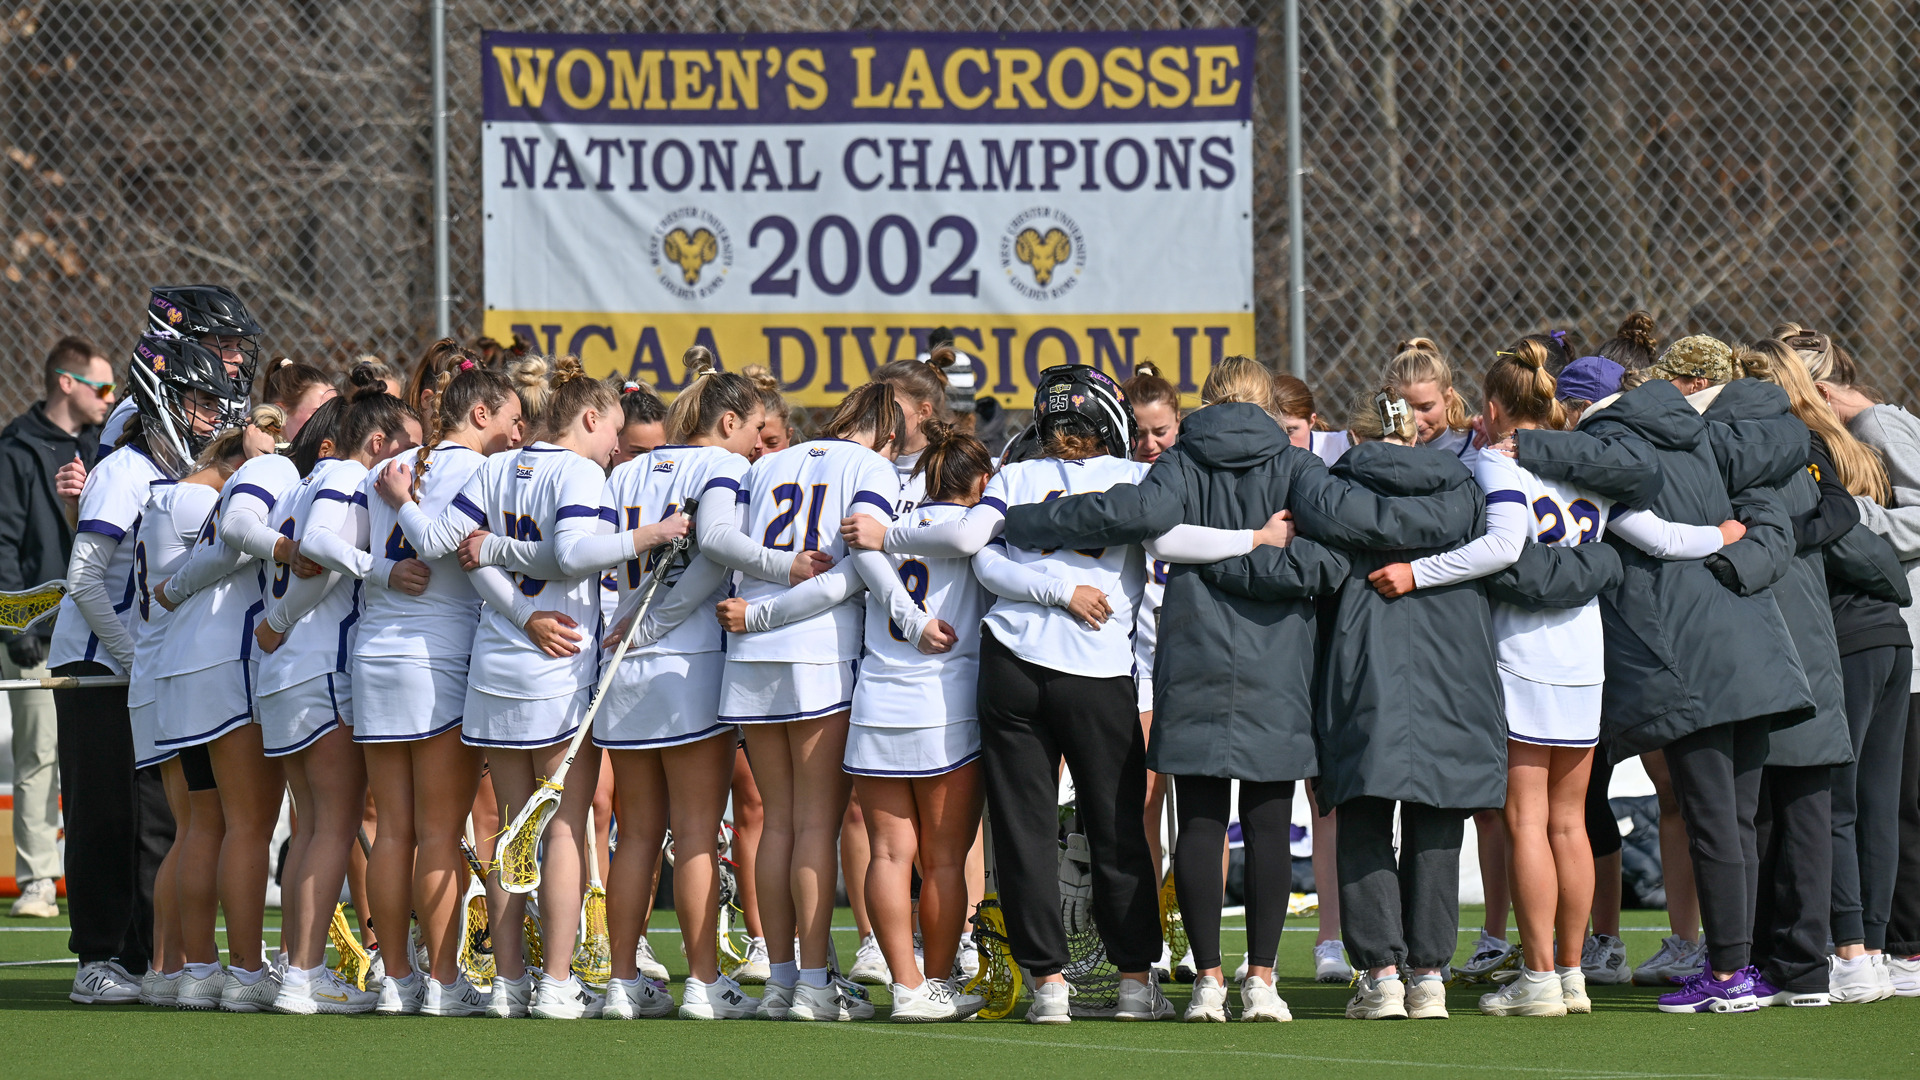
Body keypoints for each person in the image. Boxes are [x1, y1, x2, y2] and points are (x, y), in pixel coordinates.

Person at [1000, 358, 1347, 1023]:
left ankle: (1209, 981)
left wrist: (1029, 521)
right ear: (1268, 401)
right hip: (1280, 658)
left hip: (1194, 656)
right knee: (1272, 818)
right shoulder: (1301, 465)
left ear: (1208, 403)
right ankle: (1264, 980)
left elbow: (1136, 517)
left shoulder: (1181, 461)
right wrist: (1262, 556)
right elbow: (1330, 561)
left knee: (1200, 817)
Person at [1373, 341, 1703, 1017]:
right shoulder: (1583, 464)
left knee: (1526, 821)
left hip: (1523, 654)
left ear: (1490, 409)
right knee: (1569, 825)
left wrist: (1416, 573)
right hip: (1586, 658)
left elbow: (1501, 546)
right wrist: (1727, 537)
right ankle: (1576, 975)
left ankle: (1541, 978)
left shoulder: (1497, 460)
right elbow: (1663, 537)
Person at [852, 364, 1175, 1023]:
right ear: (1109, 417)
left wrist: (890, 537)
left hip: (1010, 664)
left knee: (1023, 831)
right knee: (1116, 825)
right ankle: (1136, 983)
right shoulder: (1139, 478)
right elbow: (1178, 542)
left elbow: (983, 556)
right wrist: (1256, 539)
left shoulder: (1016, 475)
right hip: (1093, 669)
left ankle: (1048, 985)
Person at [1513, 334, 1816, 1014]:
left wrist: (1521, 448)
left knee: (1714, 821)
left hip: (1690, 660)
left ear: (1581, 409)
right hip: (1752, 648)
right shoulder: (1696, 434)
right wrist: (1729, 536)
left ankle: (1731, 973)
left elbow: (1647, 528)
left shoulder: (1616, 443)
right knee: (1736, 819)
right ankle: (1744, 965)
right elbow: (1784, 444)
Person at [422, 357, 684, 1019]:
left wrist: (516, 607)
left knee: (513, 828)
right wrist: (648, 536)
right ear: (590, 417)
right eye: (613, 431)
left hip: (497, 663)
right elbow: (571, 555)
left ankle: (509, 981)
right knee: (564, 828)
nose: (617, 447)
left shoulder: (493, 467)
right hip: (556, 669)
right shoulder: (577, 472)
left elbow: (456, 549)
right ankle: (556, 981)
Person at [725, 420, 1005, 1021]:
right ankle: (931, 982)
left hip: (875, 702)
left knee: (885, 853)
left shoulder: (878, 534)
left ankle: (902, 984)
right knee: (945, 859)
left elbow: (860, 570)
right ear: (981, 481)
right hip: (944, 707)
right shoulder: (976, 531)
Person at [722, 381, 921, 1022]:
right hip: (814, 655)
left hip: (754, 659)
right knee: (813, 824)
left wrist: (755, 615)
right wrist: (766, 615)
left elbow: (723, 546)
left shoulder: (772, 461)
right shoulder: (870, 466)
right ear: (889, 435)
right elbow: (852, 570)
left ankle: (782, 979)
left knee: (778, 822)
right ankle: (810, 982)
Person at [53, 335, 240, 1006]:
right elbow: (83, 579)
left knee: (161, 816)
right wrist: (133, 660)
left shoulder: (186, 473)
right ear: (163, 399)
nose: (211, 415)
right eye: (198, 401)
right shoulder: (124, 470)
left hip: (150, 669)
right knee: (105, 813)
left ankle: (145, 952)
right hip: (100, 662)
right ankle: (96, 957)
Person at [591, 358, 770, 1020]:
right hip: (685, 660)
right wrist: (655, 624)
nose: (758, 441)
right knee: (695, 833)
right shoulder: (726, 468)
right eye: (753, 426)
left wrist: (627, 625)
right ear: (728, 421)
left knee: (637, 834)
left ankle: (621, 981)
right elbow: (716, 553)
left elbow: (606, 557)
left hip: (623, 664)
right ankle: (701, 980)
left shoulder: (627, 471)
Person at [254, 366, 421, 1014]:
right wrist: (379, 569)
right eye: (405, 441)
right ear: (376, 440)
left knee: (316, 824)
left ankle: (297, 966)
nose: (411, 456)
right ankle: (303, 970)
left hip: (293, 668)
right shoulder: (346, 477)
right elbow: (320, 547)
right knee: (334, 824)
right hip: (316, 666)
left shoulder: (316, 477)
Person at [359, 365, 524, 1015]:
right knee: (436, 831)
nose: (519, 432)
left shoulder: (390, 466)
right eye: (511, 417)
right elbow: (435, 548)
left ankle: (398, 975)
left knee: (394, 830)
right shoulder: (480, 472)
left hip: (375, 654)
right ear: (479, 414)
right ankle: (443, 981)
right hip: (437, 660)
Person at [134, 409, 278, 1009]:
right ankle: (243, 973)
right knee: (244, 825)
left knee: (200, 826)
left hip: (177, 666)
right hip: (219, 662)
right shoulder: (197, 500)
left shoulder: (167, 498)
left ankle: (188, 968)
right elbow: (235, 545)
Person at [1794, 325, 1920, 998]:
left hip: (1877, 631)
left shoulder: (1863, 429)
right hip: (1892, 633)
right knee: (1882, 799)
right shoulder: (1857, 434)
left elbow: (1895, 522)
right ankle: (1880, 947)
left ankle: (1875, 949)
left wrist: (1852, 524)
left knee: (1864, 800)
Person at [0, 336, 112, 919]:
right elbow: (3, 545)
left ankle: (107, 873)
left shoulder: (109, 446)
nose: (111, 397)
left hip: (105, 628)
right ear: (66, 383)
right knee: (40, 752)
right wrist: (13, 627)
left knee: (102, 754)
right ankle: (39, 877)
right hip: (39, 631)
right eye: (102, 386)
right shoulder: (16, 449)